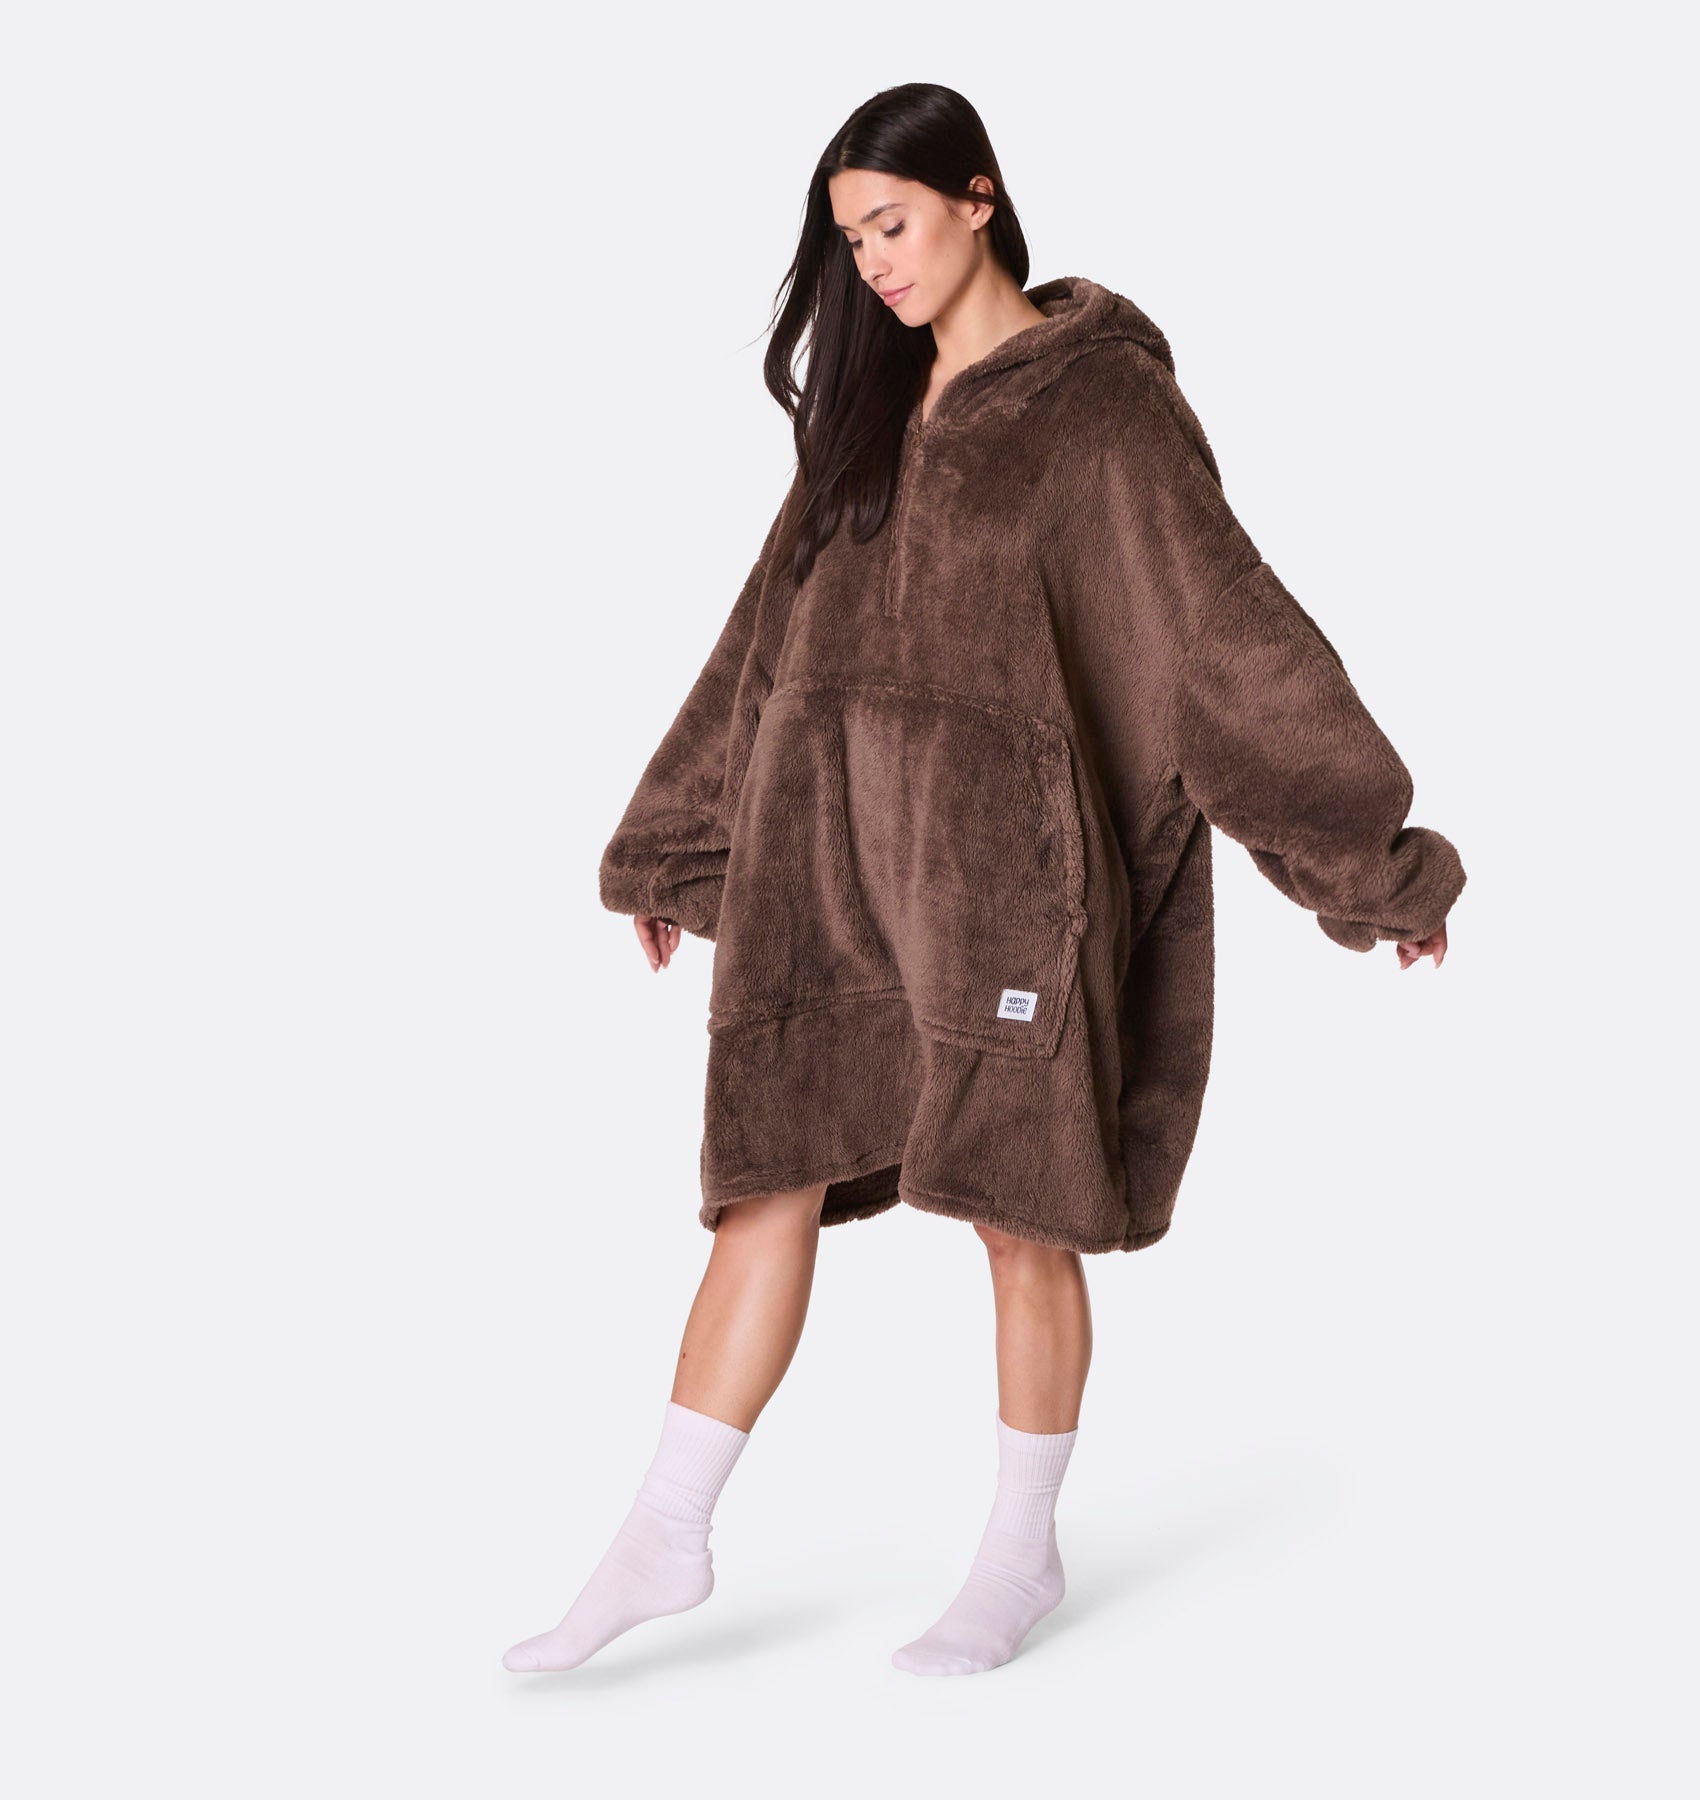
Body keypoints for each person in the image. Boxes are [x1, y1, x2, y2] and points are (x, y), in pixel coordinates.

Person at [502, 82, 1466, 1679]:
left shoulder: (1101, 417)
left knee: (1019, 1217)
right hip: (824, 871)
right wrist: (681, 839)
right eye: (847, 240)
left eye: (891, 223)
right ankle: (661, 1536)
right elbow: (764, 638)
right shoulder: (868, 411)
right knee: (764, 1181)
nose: (871, 263)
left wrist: (1370, 869)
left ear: (979, 197)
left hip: (1001, 882)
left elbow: (1228, 644)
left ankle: (1020, 1555)